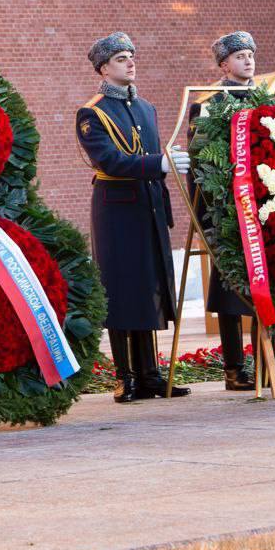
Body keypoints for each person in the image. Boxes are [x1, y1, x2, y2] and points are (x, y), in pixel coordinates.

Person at [77, 32, 191, 402]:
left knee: (148, 288)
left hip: (148, 206)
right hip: (117, 211)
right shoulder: (91, 113)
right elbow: (108, 160)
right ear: (104, 67)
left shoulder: (146, 108)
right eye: (121, 58)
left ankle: (150, 375)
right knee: (123, 291)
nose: (130, 62)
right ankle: (125, 376)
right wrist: (159, 163)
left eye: (131, 56)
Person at [186, 31, 275, 388]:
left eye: (250, 54)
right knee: (231, 287)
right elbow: (201, 159)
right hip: (228, 208)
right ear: (223, 64)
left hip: (266, 204)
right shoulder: (208, 102)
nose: (247, 61)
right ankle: (235, 369)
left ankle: (270, 364)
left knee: (269, 283)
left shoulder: (265, 98)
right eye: (238, 56)